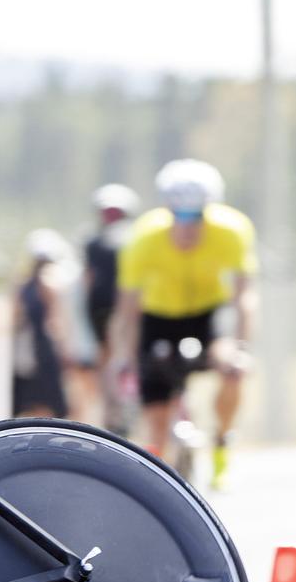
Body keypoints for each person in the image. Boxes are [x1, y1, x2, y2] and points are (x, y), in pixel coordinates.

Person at [107, 159, 257, 490]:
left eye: (196, 216)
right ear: (167, 209)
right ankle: (161, 482)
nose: (187, 226)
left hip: (207, 315)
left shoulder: (232, 230)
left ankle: (221, 447)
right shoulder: (143, 238)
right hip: (158, 318)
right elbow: (127, 309)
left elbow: (244, 297)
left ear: (210, 210)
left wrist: (241, 348)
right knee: (157, 420)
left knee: (232, 368)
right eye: (180, 215)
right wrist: (123, 357)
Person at [77, 184, 140, 431]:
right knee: (109, 364)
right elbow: (89, 281)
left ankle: (125, 413)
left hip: (128, 313)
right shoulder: (93, 243)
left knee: (126, 361)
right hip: (102, 314)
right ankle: (114, 416)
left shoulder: (134, 240)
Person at [11, 230, 71, 419]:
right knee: (46, 402)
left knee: (34, 402)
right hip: (42, 349)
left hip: (31, 348)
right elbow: (55, 321)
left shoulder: (24, 284)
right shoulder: (47, 284)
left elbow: (18, 318)